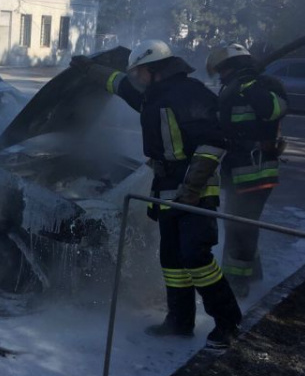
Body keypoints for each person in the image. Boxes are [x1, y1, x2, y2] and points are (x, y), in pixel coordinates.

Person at [72, 39, 242, 349]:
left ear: (154, 69)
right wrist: (88, 69)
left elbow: (213, 143)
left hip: (195, 189)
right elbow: (118, 84)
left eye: (139, 72)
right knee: (172, 260)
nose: (135, 78)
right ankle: (179, 321)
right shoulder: (151, 95)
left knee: (197, 258)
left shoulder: (188, 94)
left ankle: (228, 323)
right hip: (165, 187)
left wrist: (192, 189)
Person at [206, 44, 288, 297]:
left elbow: (274, 110)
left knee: (240, 226)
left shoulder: (265, 85)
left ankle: (236, 282)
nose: (221, 76)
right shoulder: (232, 89)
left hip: (257, 169)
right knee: (243, 222)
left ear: (236, 67)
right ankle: (252, 274)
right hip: (238, 169)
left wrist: (251, 86)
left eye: (223, 70)